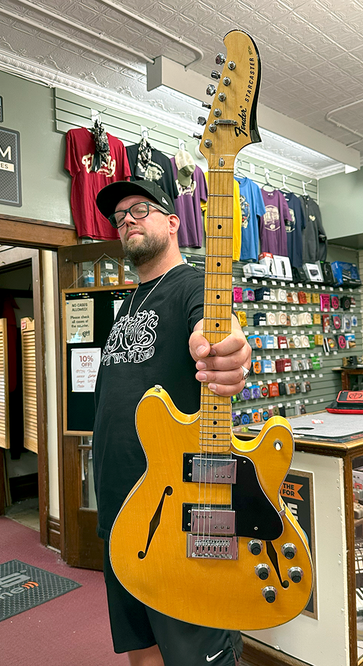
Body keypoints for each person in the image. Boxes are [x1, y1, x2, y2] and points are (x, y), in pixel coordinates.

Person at [93, 179, 252, 666]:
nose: (128, 221)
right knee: (140, 646)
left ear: (172, 221)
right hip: (122, 508)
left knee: (195, 651)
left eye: (139, 209)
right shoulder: (132, 300)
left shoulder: (199, 285)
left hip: (181, 509)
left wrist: (230, 355)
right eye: (119, 217)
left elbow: (219, 333)